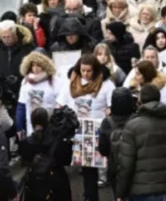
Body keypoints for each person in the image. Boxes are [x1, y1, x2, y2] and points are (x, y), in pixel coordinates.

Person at [116, 85, 166, 201]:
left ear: (139, 102)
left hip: (138, 190)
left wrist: (121, 193)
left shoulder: (132, 127)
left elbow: (126, 164)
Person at [57, 54, 115, 201]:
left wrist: (109, 111)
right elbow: (61, 103)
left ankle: (93, 196)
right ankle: (89, 196)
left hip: (97, 130)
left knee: (95, 169)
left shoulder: (106, 84)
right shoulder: (72, 82)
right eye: (83, 70)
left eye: (89, 71)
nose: (85, 74)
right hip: (76, 130)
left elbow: (111, 106)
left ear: (95, 70)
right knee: (83, 170)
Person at [18, 107, 73, 201]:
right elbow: (67, 160)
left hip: (34, 183)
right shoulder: (58, 141)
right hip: (57, 183)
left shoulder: (25, 142)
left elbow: (25, 160)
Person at [98, 87, 135, 199]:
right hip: (134, 166)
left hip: (115, 167)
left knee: (119, 195)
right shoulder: (136, 119)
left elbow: (103, 148)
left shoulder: (107, 122)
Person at [0, 20, 36, 96]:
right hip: (1, 90)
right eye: (4, 37)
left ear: (15, 33)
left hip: (24, 88)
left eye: (9, 37)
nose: (6, 40)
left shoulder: (28, 47)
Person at [16, 51, 59, 138]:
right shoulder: (25, 81)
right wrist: (19, 126)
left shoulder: (55, 81)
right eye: (33, 65)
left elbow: (60, 105)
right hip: (31, 129)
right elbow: (21, 105)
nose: (35, 68)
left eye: (38, 65)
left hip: (50, 127)